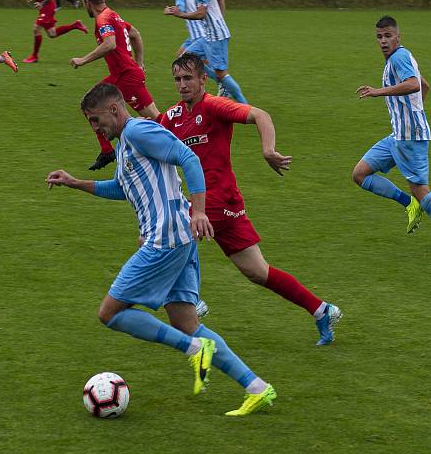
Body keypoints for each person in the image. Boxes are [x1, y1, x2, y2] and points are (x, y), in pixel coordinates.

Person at [46, 82, 277, 416]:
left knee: (110, 313)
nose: (95, 128)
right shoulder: (128, 143)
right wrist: (75, 183)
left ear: (114, 109)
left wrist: (199, 210)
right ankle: (257, 387)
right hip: (177, 238)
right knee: (185, 320)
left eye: (96, 120)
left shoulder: (139, 131)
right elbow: (123, 189)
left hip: (165, 238)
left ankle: (195, 349)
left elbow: (188, 157)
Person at [160, 53, 342, 344]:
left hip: (215, 201)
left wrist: (268, 150)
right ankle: (321, 310)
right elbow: (150, 135)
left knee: (169, 233)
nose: (182, 84)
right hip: (219, 203)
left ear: (203, 79)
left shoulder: (214, 105)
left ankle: (190, 300)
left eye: (188, 78)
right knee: (258, 272)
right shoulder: (173, 117)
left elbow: (261, 115)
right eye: (177, 79)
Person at [353, 16, 431, 257]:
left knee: (420, 189)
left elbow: (414, 85)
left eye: (388, 36)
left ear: (399, 36)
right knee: (360, 174)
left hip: (410, 137)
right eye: (379, 37)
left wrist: (379, 92)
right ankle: (409, 204)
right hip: (399, 134)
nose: (384, 41)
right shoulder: (397, 59)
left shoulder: (398, 57)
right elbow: (425, 85)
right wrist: (414, 112)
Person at [71, 0, 162, 170]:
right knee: (90, 104)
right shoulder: (114, 15)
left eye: (84, 3)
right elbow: (135, 34)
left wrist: (83, 60)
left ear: (88, 3)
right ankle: (107, 150)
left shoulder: (102, 19)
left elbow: (110, 44)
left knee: (157, 120)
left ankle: (180, 144)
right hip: (125, 75)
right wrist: (140, 62)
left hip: (126, 77)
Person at [167, 0, 248, 104]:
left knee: (221, 73)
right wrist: (220, 19)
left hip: (217, 37)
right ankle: (221, 83)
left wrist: (180, 14)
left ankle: (245, 105)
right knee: (185, 57)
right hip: (207, 36)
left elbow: (200, 14)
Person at [22, 0, 87, 64]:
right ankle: (75, 25)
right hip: (42, 8)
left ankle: (34, 56)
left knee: (36, 29)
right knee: (52, 34)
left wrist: (42, 3)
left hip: (48, 6)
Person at [166, 0, 218, 86]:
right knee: (181, 57)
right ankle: (218, 79)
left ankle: (221, 81)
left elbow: (180, 9)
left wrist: (170, 11)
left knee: (194, 61)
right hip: (198, 33)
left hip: (198, 34)